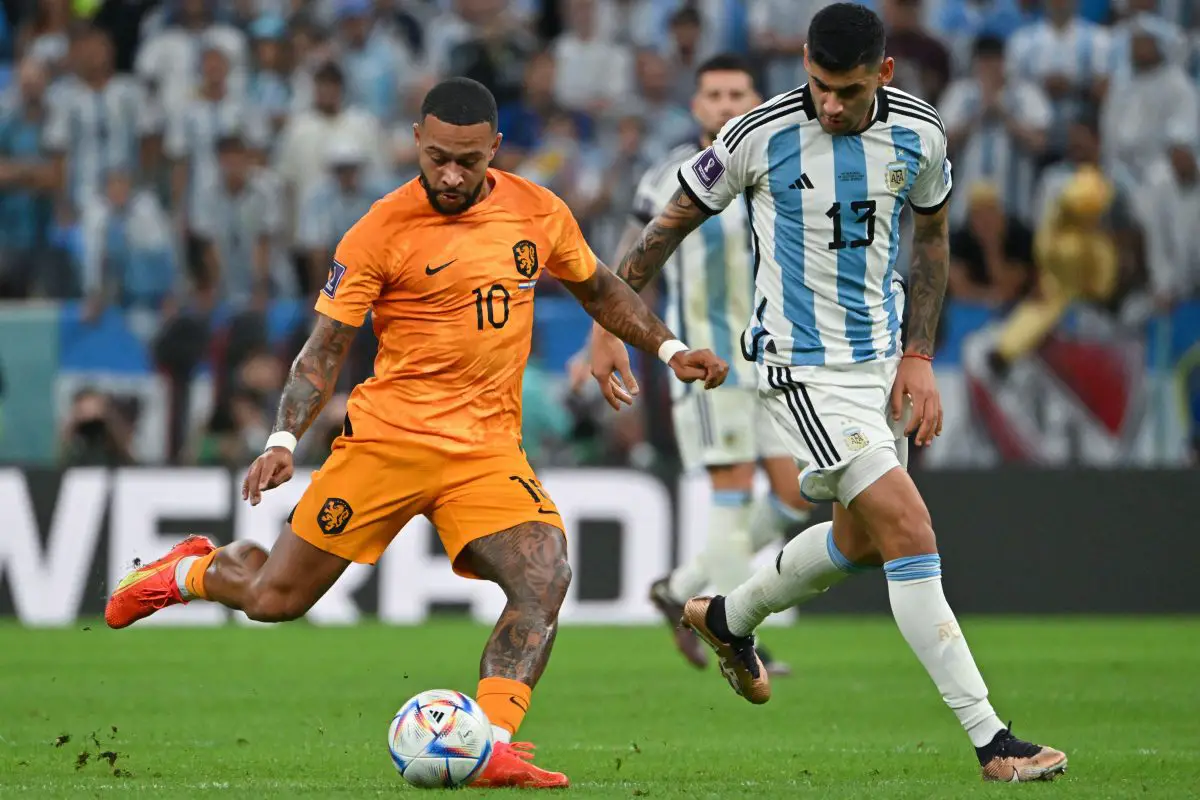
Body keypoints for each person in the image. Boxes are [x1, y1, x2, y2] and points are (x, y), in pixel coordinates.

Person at [105, 77, 728, 790]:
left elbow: (599, 287)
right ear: (416, 145)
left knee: (543, 575)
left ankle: (489, 746)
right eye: (438, 158)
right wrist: (283, 440)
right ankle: (188, 570)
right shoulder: (380, 229)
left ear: (495, 147)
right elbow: (325, 348)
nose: (453, 174)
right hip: (388, 442)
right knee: (274, 600)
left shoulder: (536, 209)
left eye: (468, 159)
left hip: (487, 448)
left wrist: (671, 349)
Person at [586, 3, 1067, 783]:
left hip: (882, 363)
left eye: (845, 90)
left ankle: (727, 617)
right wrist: (610, 323)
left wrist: (918, 355)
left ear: (883, 73)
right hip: (799, 367)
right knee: (909, 526)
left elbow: (933, 239)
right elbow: (664, 227)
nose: (829, 105)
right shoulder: (758, 135)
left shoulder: (921, 133)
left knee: (861, 541)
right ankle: (992, 740)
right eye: (817, 86)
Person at [571, 53, 812, 674]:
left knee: (796, 497)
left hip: (774, 361)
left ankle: (681, 588)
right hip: (705, 362)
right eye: (715, 95)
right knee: (731, 490)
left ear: (757, 98)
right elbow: (630, 261)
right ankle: (741, 634)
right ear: (696, 106)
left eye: (738, 92)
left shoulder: (783, 162)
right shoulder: (669, 176)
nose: (727, 104)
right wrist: (603, 333)